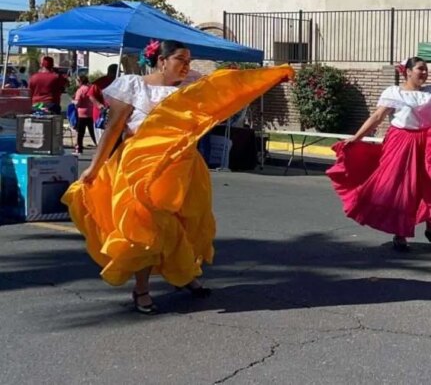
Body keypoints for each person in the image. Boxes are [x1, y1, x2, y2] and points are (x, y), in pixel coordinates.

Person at [62, 39, 294, 315]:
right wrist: (94, 167)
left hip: (184, 165)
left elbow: (230, 89)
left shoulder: (191, 86)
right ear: (162, 60)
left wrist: (272, 77)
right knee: (146, 227)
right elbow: (113, 129)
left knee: (185, 222)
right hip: (141, 168)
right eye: (180, 60)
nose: (187, 66)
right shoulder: (134, 85)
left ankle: (185, 274)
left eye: (188, 61)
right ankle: (142, 289)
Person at [327, 57, 431, 252]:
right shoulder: (394, 92)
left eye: (426, 69)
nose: (425, 73)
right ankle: (400, 235)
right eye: (421, 69)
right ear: (408, 72)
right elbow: (377, 116)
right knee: (404, 188)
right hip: (401, 142)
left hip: (426, 141)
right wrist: (357, 137)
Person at [88, 63, 118, 142]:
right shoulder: (99, 82)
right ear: (110, 72)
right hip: (101, 116)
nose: (116, 75)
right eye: (115, 72)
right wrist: (99, 106)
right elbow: (91, 95)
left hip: (114, 115)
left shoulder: (119, 82)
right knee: (102, 140)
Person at [72, 74, 97, 154]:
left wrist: (73, 102)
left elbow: (78, 103)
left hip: (82, 113)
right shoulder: (90, 88)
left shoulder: (80, 90)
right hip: (91, 112)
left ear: (80, 81)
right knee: (92, 132)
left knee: (80, 132)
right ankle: (98, 145)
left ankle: (79, 148)